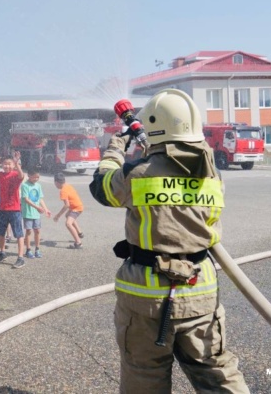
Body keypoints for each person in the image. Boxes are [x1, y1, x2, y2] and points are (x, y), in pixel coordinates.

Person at [89, 89, 249, 393]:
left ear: (152, 127)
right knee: (216, 373)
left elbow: (101, 188)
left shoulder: (136, 174)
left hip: (145, 298)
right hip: (201, 292)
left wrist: (115, 146)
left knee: (143, 377)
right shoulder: (213, 175)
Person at [0, 152, 26, 269]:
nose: (7, 166)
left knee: (18, 234)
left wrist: (17, 164)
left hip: (14, 209)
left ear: (13, 165)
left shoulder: (15, 174)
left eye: (9, 164)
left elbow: (21, 175)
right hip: (2, 208)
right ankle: (2, 252)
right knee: (0, 232)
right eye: (4, 164)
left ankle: (20, 257)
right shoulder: (0, 175)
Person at [21, 167, 50, 258]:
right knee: (29, 231)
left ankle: (37, 249)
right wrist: (37, 207)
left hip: (36, 213)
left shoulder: (38, 186)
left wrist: (46, 209)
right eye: (34, 177)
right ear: (29, 176)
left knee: (37, 230)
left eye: (38, 177)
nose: (36, 179)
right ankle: (28, 250)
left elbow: (40, 198)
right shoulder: (25, 185)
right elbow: (26, 199)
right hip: (28, 212)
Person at [53, 172, 85, 249]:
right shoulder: (68, 186)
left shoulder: (63, 191)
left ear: (56, 182)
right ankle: (79, 233)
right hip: (78, 206)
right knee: (67, 215)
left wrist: (58, 216)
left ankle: (78, 243)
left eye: (55, 183)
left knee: (68, 223)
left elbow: (66, 205)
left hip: (76, 208)